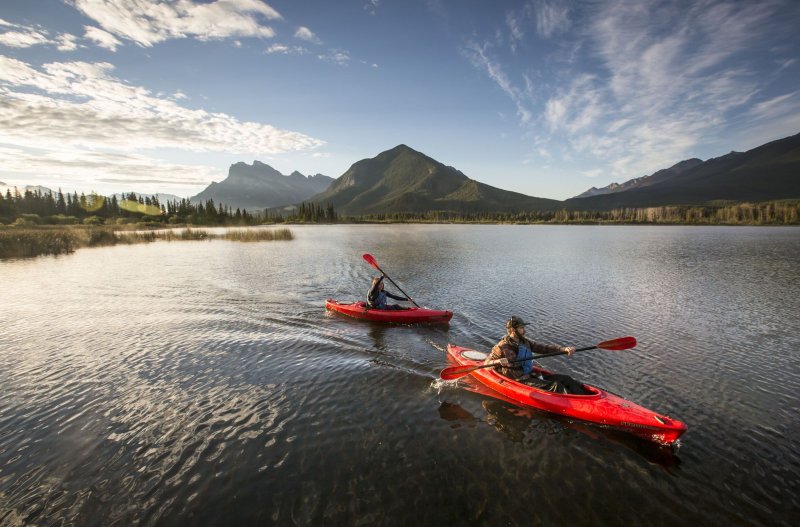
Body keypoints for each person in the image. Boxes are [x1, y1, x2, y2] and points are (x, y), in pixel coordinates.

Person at [485, 316, 589, 395]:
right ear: (513, 330)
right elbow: (487, 363)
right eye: (521, 328)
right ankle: (578, 404)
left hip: (529, 374)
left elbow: (544, 348)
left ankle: (586, 396)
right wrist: (498, 361)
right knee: (556, 386)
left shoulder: (525, 342)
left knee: (566, 379)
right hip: (519, 380)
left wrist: (563, 349)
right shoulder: (501, 347)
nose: (524, 330)